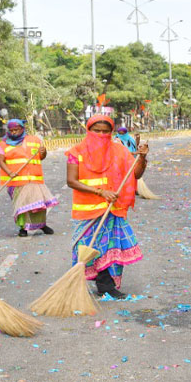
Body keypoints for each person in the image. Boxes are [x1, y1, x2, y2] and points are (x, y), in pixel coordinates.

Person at [66, 114, 149, 299]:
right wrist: (100, 192)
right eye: (97, 131)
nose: (101, 135)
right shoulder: (76, 152)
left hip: (112, 208)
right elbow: (71, 181)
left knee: (110, 247)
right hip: (87, 210)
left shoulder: (119, 150)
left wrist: (142, 158)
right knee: (88, 247)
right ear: (89, 130)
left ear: (111, 132)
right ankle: (101, 284)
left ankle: (106, 285)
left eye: (105, 131)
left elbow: (134, 173)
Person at [0, 119, 57, 237]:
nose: (14, 132)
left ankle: (42, 225)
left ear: (22, 129)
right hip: (17, 181)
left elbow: (41, 157)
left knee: (39, 205)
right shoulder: (3, 144)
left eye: (16, 130)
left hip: (34, 179)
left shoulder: (34, 140)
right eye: (11, 130)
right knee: (21, 206)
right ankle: (23, 228)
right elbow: (1, 161)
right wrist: (9, 172)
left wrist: (43, 151)